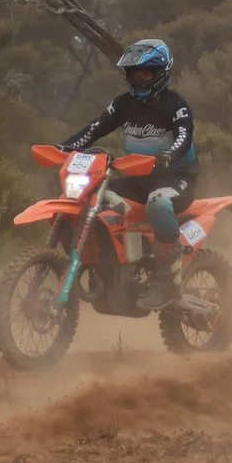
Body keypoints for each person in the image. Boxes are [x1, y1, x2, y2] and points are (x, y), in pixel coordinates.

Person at [60, 39, 198, 301]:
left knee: (158, 204)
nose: (138, 80)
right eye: (134, 74)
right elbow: (95, 128)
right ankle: (106, 264)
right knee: (91, 196)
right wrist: (65, 147)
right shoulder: (123, 104)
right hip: (138, 178)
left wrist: (169, 155)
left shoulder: (177, 106)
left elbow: (184, 137)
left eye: (145, 74)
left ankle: (168, 279)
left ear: (160, 74)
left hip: (175, 178)